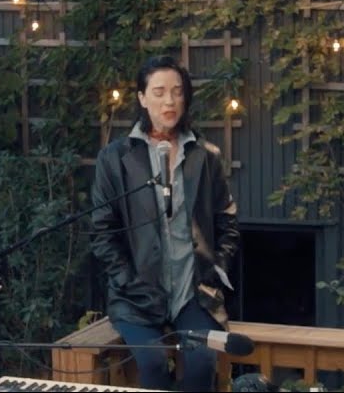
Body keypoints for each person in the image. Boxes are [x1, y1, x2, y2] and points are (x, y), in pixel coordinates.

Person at [91, 56, 240, 391]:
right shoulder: (115, 159)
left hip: (192, 293)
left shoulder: (205, 155)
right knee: (152, 363)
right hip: (136, 296)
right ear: (142, 98)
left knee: (203, 361)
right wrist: (126, 280)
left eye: (177, 92)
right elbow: (102, 231)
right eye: (159, 92)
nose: (169, 101)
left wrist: (216, 270)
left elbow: (227, 221)